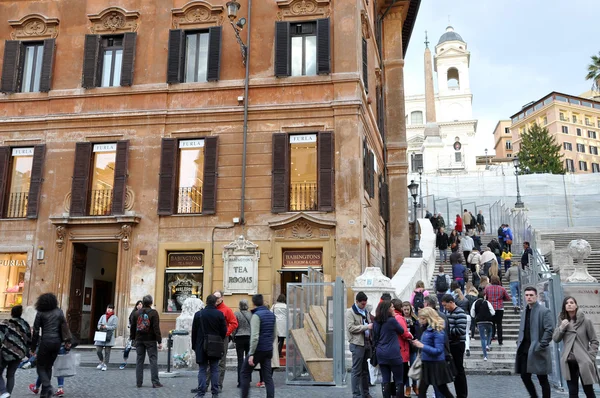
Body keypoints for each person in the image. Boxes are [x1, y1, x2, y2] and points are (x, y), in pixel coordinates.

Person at [552, 296, 599, 398]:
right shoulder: (562, 321)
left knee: (589, 391)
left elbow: (594, 341)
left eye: (572, 302)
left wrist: (590, 357)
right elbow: (556, 339)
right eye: (567, 303)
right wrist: (561, 328)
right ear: (564, 306)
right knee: (572, 392)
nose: (569, 304)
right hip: (569, 360)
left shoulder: (586, 321)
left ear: (576, 305)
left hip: (584, 360)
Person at [30, 293, 72, 398]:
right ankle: (45, 393)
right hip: (57, 343)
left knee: (40, 366)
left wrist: (33, 347)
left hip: (46, 341)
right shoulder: (59, 312)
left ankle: (47, 386)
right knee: (48, 367)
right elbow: (65, 327)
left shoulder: (40, 312)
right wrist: (67, 342)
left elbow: (35, 331)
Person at [516, 286, 554, 398]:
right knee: (524, 376)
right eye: (527, 295)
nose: (529, 297)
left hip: (538, 349)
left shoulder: (544, 311)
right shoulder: (525, 311)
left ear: (536, 296)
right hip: (525, 350)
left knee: (542, 379)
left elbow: (549, 329)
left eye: (531, 295)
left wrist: (541, 344)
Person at [409, 307, 455, 398]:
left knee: (443, 389)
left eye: (422, 318)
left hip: (436, 364)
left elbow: (438, 350)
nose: (420, 320)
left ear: (429, 318)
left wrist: (422, 346)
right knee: (422, 391)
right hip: (427, 363)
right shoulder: (426, 329)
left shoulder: (437, 331)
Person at [241, 294, 276, 398]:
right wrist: (269, 343)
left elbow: (255, 336)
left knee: (245, 372)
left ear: (253, 303)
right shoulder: (271, 315)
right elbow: (274, 334)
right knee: (268, 377)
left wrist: (251, 353)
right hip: (268, 349)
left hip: (258, 349)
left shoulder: (256, 316)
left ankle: (244, 396)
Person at [192, 294, 227, 398]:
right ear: (215, 302)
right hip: (215, 345)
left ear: (206, 302)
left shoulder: (198, 314)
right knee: (214, 369)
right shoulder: (219, 314)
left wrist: (194, 346)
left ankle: (201, 393)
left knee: (202, 369)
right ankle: (215, 393)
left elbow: (194, 332)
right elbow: (224, 331)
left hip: (201, 345)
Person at [207, 291, 238, 392]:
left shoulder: (227, 310)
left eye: (218, 297)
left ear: (222, 298)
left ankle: (219, 385)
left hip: (222, 338)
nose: (216, 299)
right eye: (214, 297)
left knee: (221, 362)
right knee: (208, 361)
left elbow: (234, 323)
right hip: (211, 338)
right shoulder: (210, 308)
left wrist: (226, 333)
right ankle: (205, 384)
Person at [373, 300, 405, 398]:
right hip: (393, 353)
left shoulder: (376, 321)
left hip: (381, 353)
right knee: (399, 380)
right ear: (387, 309)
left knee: (385, 378)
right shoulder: (392, 320)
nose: (393, 308)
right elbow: (402, 330)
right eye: (391, 307)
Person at [130, 294, 163, 389]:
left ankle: (139, 382)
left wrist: (133, 338)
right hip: (150, 339)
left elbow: (133, 327)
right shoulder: (153, 313)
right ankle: (155, 382)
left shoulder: (136, 313)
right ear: (151, 303)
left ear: (143, 302)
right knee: (153, 360)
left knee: (139, 360)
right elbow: (156, 328)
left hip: (139, 339)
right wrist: (159, 341)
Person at [345, 291, 373, 398]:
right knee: (356, 370)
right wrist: (366, 327)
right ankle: (356, 394)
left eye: (365, 304)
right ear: (357, 302)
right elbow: (351, 328)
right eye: (362, 304)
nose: (364, 305)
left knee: (365, 371)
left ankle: (365, 393)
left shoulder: (365, 311)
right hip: (357, 344)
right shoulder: (350, 312)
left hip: (366, 343)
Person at [440, 294, 468, 398]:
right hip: (451, 344)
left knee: (459, 370)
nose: (444, 308)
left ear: (451, 302)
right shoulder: (448, 312)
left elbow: (461, 330)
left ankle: (462, 394)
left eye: (445, 305)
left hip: (458, 344)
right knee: (455, 370)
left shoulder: (460, 312)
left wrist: (447, 331)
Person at [0, 305, 31, 398]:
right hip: (19, 354)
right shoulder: (25, 324)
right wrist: (27, 351)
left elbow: (0, 337)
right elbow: (29, 340)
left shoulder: (6, 323)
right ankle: (8, 394)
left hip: (6, 353)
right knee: (10, 375)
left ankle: (3, 391)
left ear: (11, 313)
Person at [391, 299, 414, 398]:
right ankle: (398, 394)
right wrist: (410, 336)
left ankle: (394, 393)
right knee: (402, 375)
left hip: (394, 348)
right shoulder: (399, 318)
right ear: (400, 308)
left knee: (395, 375)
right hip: (402, 349)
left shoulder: (391, 317)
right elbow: (404, 333)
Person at [484, 276, 511, 347]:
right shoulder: (502, 288)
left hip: (490, 308)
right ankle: (500, 340)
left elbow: (485, 297)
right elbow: (508, 298)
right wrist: (501, 299)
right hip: (499, 308)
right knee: (499, 324)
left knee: (491, 324)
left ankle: (490, 339)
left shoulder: (488, 288)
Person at [402, 301, 421, 397]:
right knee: (405, 367)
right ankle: (407, 387)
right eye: (404, 309)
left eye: (407, 309)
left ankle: (415, 385)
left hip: (412, 346)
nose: (406, 311)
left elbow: (418, 331)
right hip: (404, 346)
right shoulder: (400, 318)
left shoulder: (414, 318)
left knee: (414, 366)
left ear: (410, 309)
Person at [233, 299, 252, 388]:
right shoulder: (251, 314)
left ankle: (240, 381)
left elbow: (234, 326)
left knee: (240, 360)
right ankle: (248, 380)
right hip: (249, 337)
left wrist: (233, 337)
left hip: (239, 337)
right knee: (248, 360)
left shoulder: (236, 314)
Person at [471, 293, 495, 361]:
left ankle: (485, 356)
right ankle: (488, 345)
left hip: (480, 322)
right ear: (484, 296)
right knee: (489, 332)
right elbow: (493, 312)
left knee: (482, 338)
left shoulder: (475, 303)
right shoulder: (487, 302)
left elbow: (472, 314)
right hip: (488, 321)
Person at [120, 300, 143, 369]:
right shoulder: (133, 313)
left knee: (140, 350)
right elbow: (130, 320)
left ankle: (139, 364)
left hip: (140, 335)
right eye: (138, 304)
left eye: (141, 304)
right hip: (132, 334)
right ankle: (124, 361)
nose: (139, 305)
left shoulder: (144, 314)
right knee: (127, 349)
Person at [95, 304, 118, 371]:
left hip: (109, 335)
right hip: (101, 335)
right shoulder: (103, 316)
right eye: (108, 308)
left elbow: (114, 327)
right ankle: (101, 361)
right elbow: (98, 324)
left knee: (107, 352)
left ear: (113, 310)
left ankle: (105, 364)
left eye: (110, 308)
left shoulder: (115, 317)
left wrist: (106, 327)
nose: (109, 309)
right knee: (98, 350)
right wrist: (101, 327)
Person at [270, 294, 287, 358]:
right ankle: (279, 353)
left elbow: (270, 314)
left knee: (275, 339)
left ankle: (274, 352)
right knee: (282, 339)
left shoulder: (274, 306)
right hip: (283, 323)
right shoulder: (286, 306)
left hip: (275, 323)